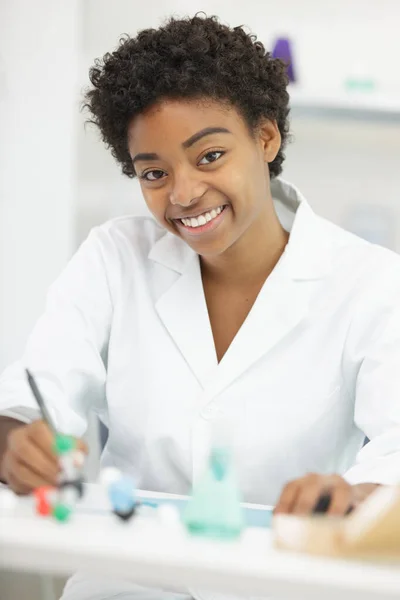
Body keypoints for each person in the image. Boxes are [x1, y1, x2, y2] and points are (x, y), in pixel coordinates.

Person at [0, 12, 400, 600]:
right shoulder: (114, 258)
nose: (183, 194)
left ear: (266, 138)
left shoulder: (369, 282)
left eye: (209, 155)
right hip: (124, 584)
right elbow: (31, 398)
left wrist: (358, 497)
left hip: (284, 583)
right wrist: (17, 442)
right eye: (154, 172)